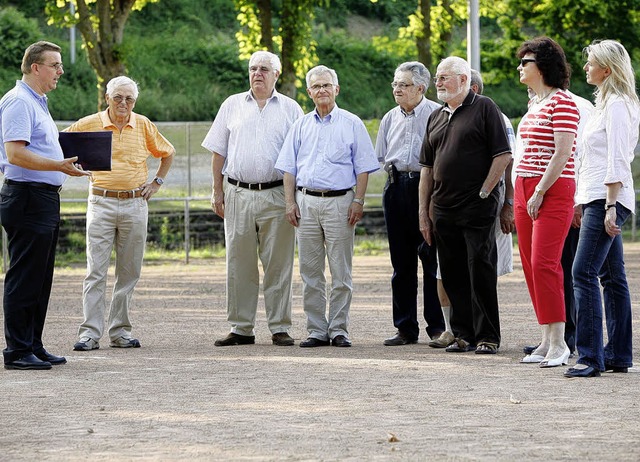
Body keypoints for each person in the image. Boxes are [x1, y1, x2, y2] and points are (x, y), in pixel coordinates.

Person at [202, 51, 303, 347]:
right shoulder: (232, 105)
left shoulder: (291, 109)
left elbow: (298, 156)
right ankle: (241, 327)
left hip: (276, 194)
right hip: (237, 193)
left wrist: (292, 199)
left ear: (276, 74)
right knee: (238, 263)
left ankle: (280, 326)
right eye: (252, 68)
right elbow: (218, 151)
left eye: (264, 69)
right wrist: (216, 191)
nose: (257, 73)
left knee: (279, 264)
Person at [0, 41, 90, 370]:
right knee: (25, 277)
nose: (61, 71)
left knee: (40, 277)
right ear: (35, 67)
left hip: (42, 197)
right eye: (55, 65)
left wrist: (68, 160)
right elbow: (15, 154)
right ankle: (17, 351)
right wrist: (58, 166)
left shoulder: (38, 102)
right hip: (26, 196)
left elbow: (39, 147)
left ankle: (32, 344)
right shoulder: (19, 102)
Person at [68, 76, 175, 351]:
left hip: (135, 204)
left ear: (135, 102)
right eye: (118, 97)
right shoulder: (88, 123)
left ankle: (120, 331)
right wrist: (75, 169)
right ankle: (89, 333)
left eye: (129, 99)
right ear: (107, 98)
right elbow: (62, 146)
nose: (123, 103)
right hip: (100, 202)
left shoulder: (143, 124)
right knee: (96, 271)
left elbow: (167, 152)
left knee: (129, 271)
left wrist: (157, 182)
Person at [276, 65, 379, 348]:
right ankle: (316, 330)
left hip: (341, 203)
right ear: (309, 92)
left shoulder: (352, 123)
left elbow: (363, 168)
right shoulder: (300, 126)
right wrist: (289, 203)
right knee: (310, 272)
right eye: (316, 86)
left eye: (327, 85)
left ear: (337, 89)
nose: (322, 90)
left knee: (341, 272)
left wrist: (358, 200)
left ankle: (339, 329)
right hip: (306, 203)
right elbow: (288, 168)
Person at [419, 56, 512, 355]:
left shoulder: (484, 107)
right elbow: (427, 170)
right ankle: (463, 334)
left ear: (462, 79)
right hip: (443, 209)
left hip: (477, 207)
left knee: (480, 269)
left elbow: (503, 155)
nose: (439, 82)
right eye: (437, 78)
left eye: (444, 77)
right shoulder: (435, 116)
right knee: (452, 272)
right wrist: (424, 211)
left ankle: (488, 336)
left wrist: (486, 192)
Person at [564, 40, 640, 378]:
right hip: (596, 197)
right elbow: (590, 159)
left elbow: (618, 158)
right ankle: (618, 355)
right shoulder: (605, 104)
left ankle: (589, 356)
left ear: (606, 69)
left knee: (582, 273)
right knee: (612, 277)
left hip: (607, 198)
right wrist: (582, 199)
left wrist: (610, 204)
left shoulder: (619, 105)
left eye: (590, 63)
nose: (585, 68)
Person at [514, 37, 580, 368]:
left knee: (545, 263)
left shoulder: (562, 103)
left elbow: (563, 152)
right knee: (529, 265)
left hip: (552, 189)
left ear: (542, 65)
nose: (520, 67)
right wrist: (522, 188)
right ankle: (544, 338)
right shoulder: (534, 105)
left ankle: (560, 343)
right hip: (524, 187)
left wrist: (539, 190)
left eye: (525, 62)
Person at [375, 61, 444, 346]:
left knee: (430, 259)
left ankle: (437, 327)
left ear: (420, 87)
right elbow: (382, 155)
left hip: (425, 187)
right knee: (400, 263)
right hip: (395, 187)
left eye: (403, 85)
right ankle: (405, 327)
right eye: (395, 84)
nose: (397, 90)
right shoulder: (389, 117)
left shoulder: (436, 114)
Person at [522, 88, 594, 357]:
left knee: (558, 266)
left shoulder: (575, 105)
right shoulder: (535, 104)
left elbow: (578, 155)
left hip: (563, 193)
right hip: (534, 188)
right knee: (541, 266)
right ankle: (550, 338)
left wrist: (578, 200)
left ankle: (565, 339)